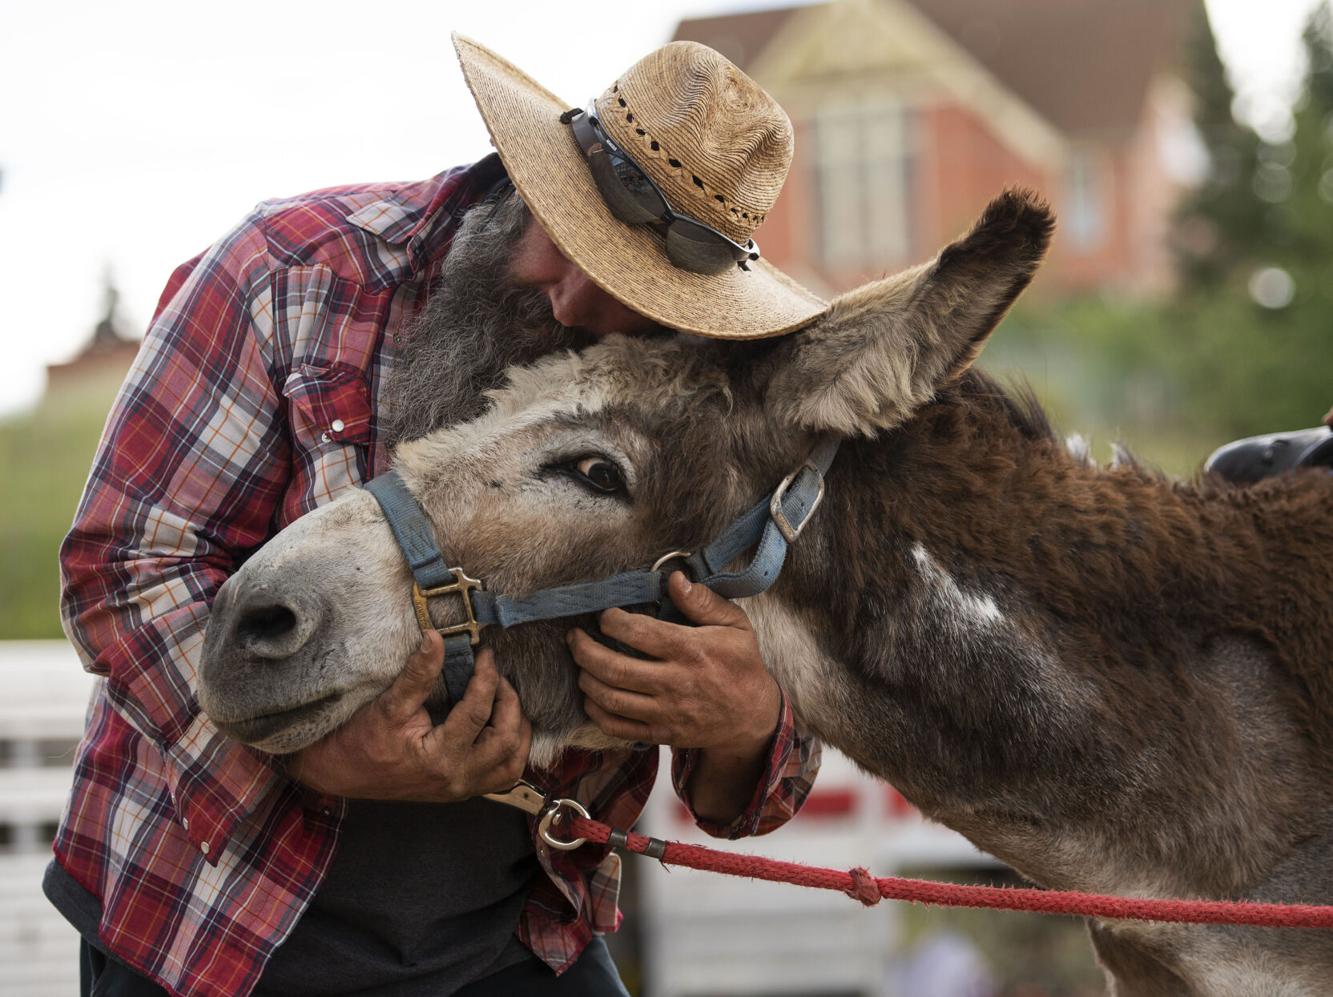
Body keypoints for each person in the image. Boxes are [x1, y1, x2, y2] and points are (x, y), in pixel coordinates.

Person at [47, 36, 827, 997]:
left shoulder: (705, 407)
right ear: (532, 172)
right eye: (565, 240)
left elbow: (767, 750)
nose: (576, 300)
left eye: (633, 293)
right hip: (212, 924)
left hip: (512, 938)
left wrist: (751, 719)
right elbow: (124, 568)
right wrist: (319, 759)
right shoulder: (291, 269)